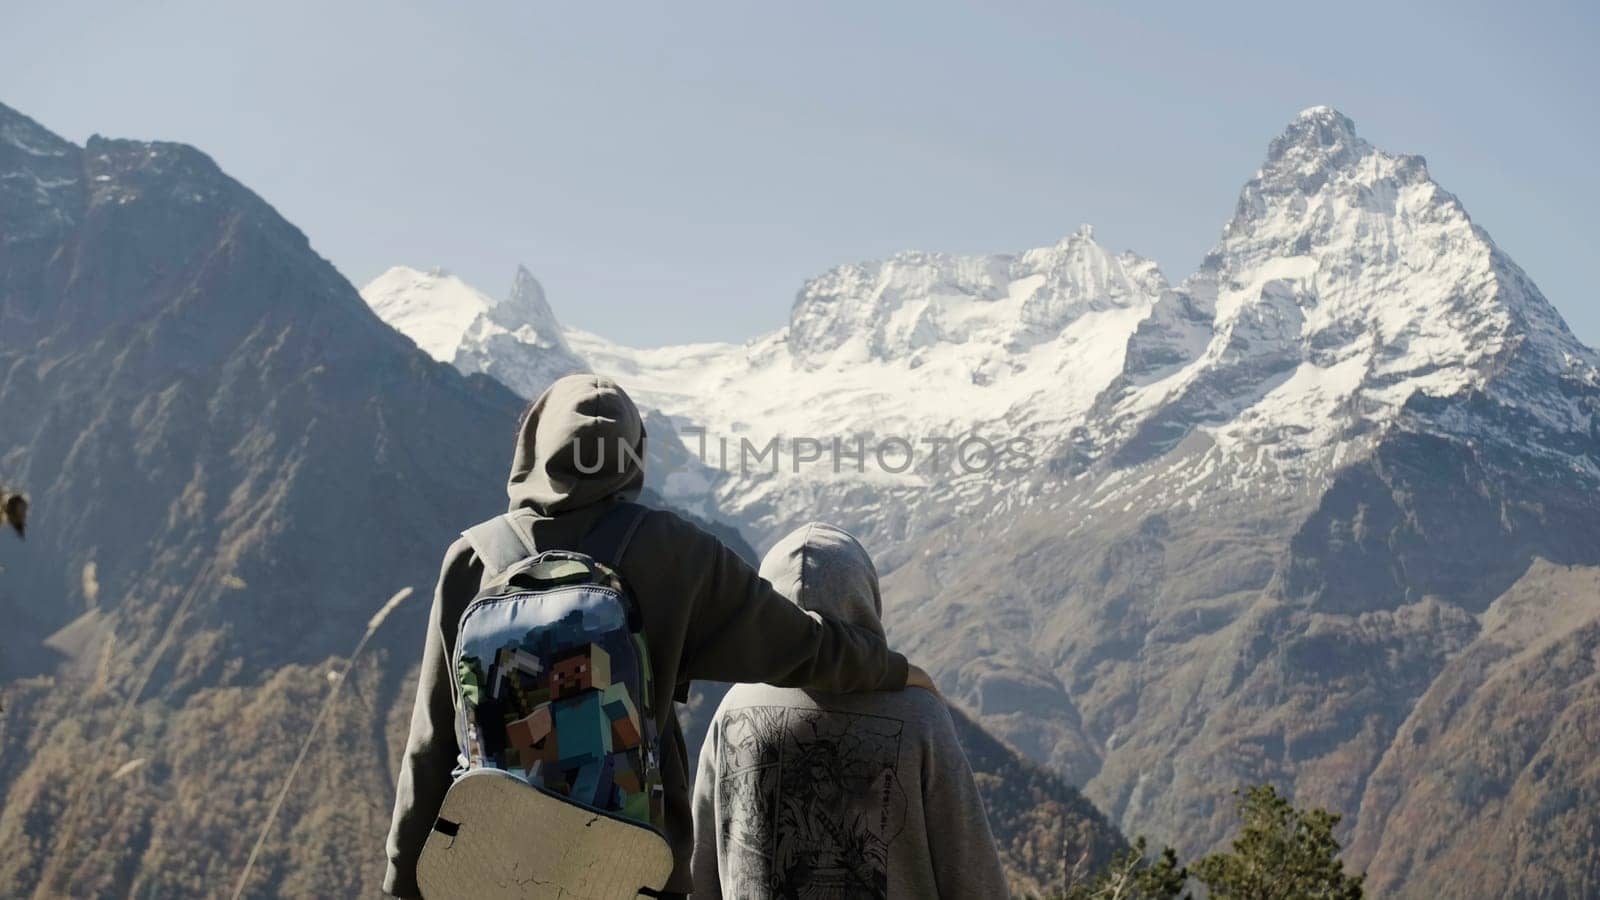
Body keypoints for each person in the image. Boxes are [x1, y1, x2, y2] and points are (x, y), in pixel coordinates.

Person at [383, 374, 935, 899]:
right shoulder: (675, 552)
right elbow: (802, 646)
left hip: (490, 862)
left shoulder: (473, 559)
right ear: (632, 454)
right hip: (632, 868)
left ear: (532, 446)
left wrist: (405, 877)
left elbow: (432, 737)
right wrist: (894, 670)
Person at [691, 523, 1010, 900]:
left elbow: (702, 870)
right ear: (865, 598)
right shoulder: (918, 716)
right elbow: (971, 873)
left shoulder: (734, 711)